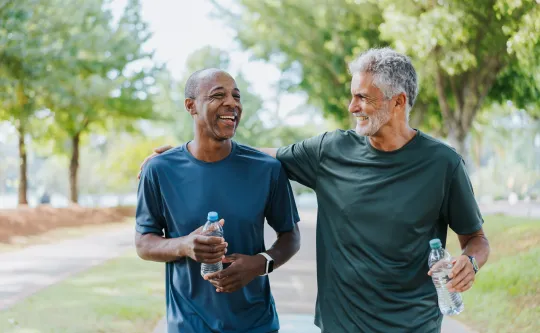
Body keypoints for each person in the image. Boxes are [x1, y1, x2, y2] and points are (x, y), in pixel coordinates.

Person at [139, 48, 490, 333]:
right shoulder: (330, 151)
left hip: (416, 325)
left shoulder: (443, 164)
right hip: (341, 326)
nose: (352, 107)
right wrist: (183, 152)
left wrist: (470, 262)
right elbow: (257, 157)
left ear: (398, 103)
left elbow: (476, 238)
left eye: (362, 97)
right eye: (352, 96)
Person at [135, 68, 301, 333]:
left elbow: (290, 237)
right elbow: (144, 243)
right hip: (188, 325)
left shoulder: (267, 169)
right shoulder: (159, 170)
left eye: (236, 96)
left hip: (257, 324)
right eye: (218, 95)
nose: (232, 103)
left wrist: (260, 263)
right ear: (191, 106)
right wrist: (185, 245)